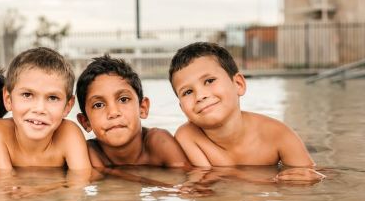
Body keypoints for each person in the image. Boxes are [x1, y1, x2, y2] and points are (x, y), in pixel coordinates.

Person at [169, 42, 322, 182]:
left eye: (209, 81)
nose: (200, 96)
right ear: (183, 109)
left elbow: (310, 174)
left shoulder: (279, 135)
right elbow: (206, 186)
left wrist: (310, 178)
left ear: (238, 84)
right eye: (188, 92)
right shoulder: (188, 137)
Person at [0, 47, 91, 170]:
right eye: (27, 95)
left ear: (67, 106)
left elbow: (80, 182)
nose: (40, 109)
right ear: (8, 99)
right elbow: (3, 183)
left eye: (52, 98)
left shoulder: (69, 135)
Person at [75, 54, 188, 168]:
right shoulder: (88, 154)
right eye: (98, 105)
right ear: (85, 121)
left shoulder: (159, 142)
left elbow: (189, 181)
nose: (113, 113)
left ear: (142, 108)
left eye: (123, 99)